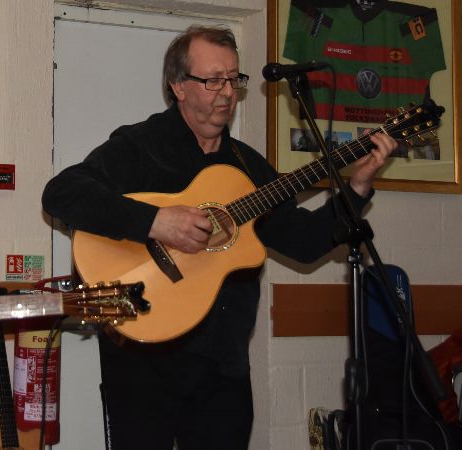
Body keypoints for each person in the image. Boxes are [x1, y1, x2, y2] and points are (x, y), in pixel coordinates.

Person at [41, 25, 398, 450]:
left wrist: (356, 188)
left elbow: (304, 242)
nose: (227, 91)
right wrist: (154, 221)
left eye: (234, 79)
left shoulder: (248, 167)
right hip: (144, 363)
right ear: (178, 86)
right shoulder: (141, 145)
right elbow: (62, 193)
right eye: (213, 80)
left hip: (223, 370)